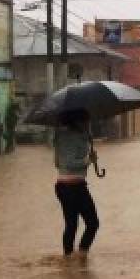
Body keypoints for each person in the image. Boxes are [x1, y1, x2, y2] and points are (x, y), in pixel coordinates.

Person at [54, 109, 100, 263]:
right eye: (87, 120)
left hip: (62, 186)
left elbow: (57, 163)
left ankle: (68, 260)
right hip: (74, 187)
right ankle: (81, 257)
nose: (89, 123)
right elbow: (70, 163)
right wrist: (89, 160)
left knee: (71, 225)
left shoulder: (60, 136)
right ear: (79, 121)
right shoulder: (79, 137)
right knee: (93, 223)